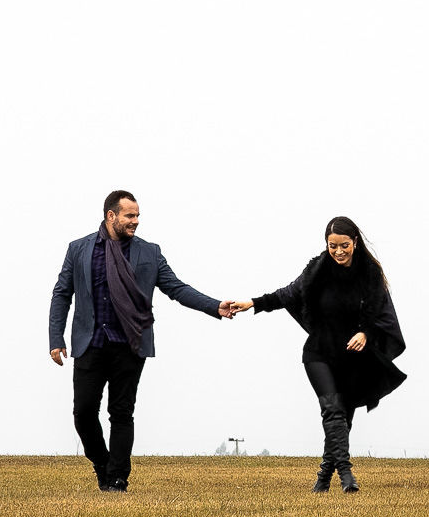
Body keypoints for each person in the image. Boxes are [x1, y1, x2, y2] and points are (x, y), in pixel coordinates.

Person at [48, 190, 239, 491]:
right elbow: (62, 294)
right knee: (83, 413)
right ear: (111, 216)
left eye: (137, 216)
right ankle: (102, 463)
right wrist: (55, 338)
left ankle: (118, 478)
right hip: (90, 342)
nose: (135, 221)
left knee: (121, 412)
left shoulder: (149, 252)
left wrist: (214, 306)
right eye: (130, 215)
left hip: (130, 343)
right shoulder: (79, 249)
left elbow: (176, 288)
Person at [226, 216, 406, 493]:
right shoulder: (317, 270)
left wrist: (365, 333)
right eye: (332, 246)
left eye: (344, 245)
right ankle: (347, 475)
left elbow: (379, 313)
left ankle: (323, 478)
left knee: (343, 418)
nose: (338, 251)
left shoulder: (369, 275)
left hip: (352, 357)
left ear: (355, 242)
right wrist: (253, 303)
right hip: (319, 352)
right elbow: (287, 294)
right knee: (332, 410)